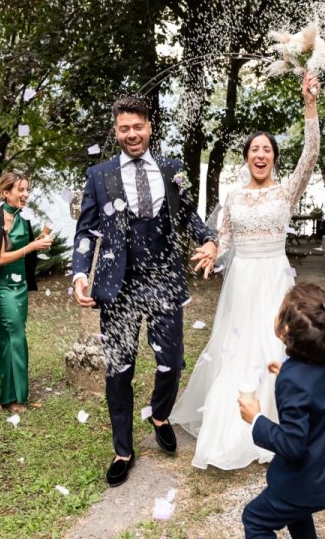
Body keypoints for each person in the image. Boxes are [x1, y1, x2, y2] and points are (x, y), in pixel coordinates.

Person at [170, 74, 321, 470]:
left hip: (274, 276)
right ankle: (230, 429)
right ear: (246, 156)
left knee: (275, 345)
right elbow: (221, 238)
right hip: (241, 280)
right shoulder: (233, 195)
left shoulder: (287, 189)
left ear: (273, 157)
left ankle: (280, 429)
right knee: (237, 349)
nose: (260, 154)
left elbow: (311, 154)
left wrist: (310, 105)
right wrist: (210, 250)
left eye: (267, 149)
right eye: (254, 148)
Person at [72, 96, 218, 488]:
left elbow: (189, 215)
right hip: (118, 285)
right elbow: (85, 230)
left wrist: (210, 241)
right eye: (124, 128)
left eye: (138, 126)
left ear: (150, 127)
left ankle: (160, 413)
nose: (131, 134)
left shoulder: (173, 169)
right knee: (119, 368)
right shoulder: (99, 175)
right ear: (116, 131)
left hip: (164, 278)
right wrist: (79, 274)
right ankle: (123, 449)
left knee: (172, 360)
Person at [238, 283, 325, 539]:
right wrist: (287, 372)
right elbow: (315, 394)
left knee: (255, 520)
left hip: (306, 481)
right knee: (296, 514)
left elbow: (292, 444)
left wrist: (255, 419)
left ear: (286, 329)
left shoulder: (294, 380)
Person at [0, 172, 53, 413]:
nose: (25, 194)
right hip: (3, 288)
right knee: (15, 339)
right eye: (20, 189)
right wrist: (31, 246)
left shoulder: (23, 217)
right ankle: (13, 398)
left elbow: (22, 250)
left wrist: (39, 239)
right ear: (6, 192)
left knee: (12, 339)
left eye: (27, 189)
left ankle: (10, 395)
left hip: (19, 288)